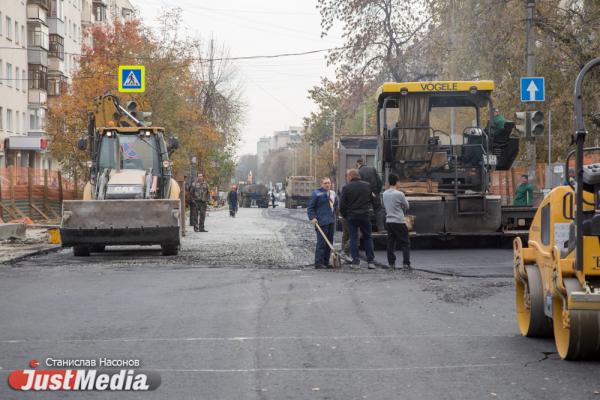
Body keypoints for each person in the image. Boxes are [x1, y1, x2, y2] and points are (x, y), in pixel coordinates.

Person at [339, 169, 375, 269]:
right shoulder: (367, 185)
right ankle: (370, 262)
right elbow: (372, 199)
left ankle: (356, 262)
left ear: (350, 176)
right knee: (368, 237)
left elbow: (342, 204)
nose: (347, 178)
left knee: (354, 238)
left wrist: (346, 215)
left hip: (352, 216)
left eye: (347, 176)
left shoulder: (346, 187)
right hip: (365, 215)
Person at [307, 178, 338, 269]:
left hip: (331, 221)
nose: (327, 185)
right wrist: (312, 217)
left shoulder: (332, 193)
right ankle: (318, 263)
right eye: (325, 183)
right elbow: (310, 207)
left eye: (328, 183)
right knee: (321, 243)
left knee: (329, 242)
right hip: (321, 222)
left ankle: (326, 262)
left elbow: (336, 205)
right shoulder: (316, 193)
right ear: (321, 184)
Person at [382, 173, 411, 270]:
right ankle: (406, 264)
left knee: (391, 243)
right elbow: (407, 206)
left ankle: (391, 264)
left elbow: (385, 205)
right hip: (399, 221)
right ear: (397, 182)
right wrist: (401, 206)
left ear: (388, 182)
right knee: (405, 243)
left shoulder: (384, 194)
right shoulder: (400, 194)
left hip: (389, 221)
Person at [356, 158, 384, 232]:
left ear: (358, 164)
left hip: (365, 195)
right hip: (375, 192)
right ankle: (381, 229)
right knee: (378, 210)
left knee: (365, 211)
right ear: (364, 163)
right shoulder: (373, 169)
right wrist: (377, 191)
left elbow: (359, 185)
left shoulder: (358, 172)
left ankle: (365, 230)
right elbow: (379, 182)